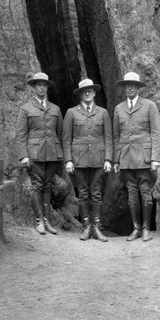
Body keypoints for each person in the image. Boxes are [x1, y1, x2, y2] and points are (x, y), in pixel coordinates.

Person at [113, 72, 160, 242]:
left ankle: (146, 228)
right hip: (126, 159)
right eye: (127, 86)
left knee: (145, 192)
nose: (130, 88)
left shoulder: (149, 106)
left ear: (138, 87)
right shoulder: (119, 109)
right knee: (132, 194)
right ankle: (135, 229)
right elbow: (116, 137)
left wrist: (155, 158)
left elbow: (156, 133)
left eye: (133, 85)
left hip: (144, 158)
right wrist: (116, 160)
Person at [63, 78, 112, 242]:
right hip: (79, 159)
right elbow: (66, 139)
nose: (88, 93)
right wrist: (68, 160)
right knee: (83, 193)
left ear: (94, 92)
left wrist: (108, 159)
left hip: (98, 159)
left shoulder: (103, 112)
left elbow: (108, 138)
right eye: (85, 91)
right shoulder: (72, 113)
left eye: (90, 90)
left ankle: (97, 228)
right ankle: (86, 227)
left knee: (97, 193)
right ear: (80, 94)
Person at [15, 71, 64, 235]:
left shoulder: (55, 109)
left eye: (44, 85)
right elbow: (21, 134)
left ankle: (47, 221)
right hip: (34, 154)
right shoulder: (25, 109)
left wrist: (61, 154)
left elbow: (60, 132)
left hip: (52, 154)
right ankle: (39, 221)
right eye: (38, 85)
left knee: (48, 186)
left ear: (47, 88)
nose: (41, 88)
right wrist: (23, 156)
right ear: (33, 88)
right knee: (36, 186)